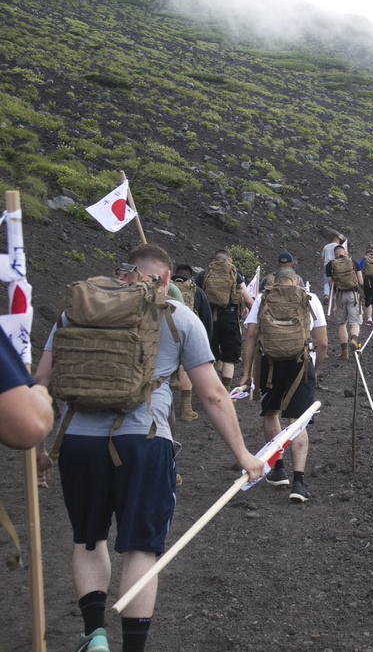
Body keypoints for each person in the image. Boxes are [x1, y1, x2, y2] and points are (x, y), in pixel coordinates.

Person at [34, 243, 264, 652]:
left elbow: (42, 384)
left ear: (125, 272)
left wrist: (37, 445)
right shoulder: (178, 316)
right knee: (141, 546)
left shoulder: (77, 310)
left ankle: (95, 636)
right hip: (144, 441)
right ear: (163, 279)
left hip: (77, 442)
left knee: (88, 539)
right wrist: (243, 455)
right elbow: (213, 396)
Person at [239, 267, 327, 502]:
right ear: (297, 281)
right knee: (298, 422)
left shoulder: (262, 298)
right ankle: (298, 483)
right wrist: (315, 370)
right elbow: (323, 342)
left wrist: (246, 373)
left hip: (270, 364)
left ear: (274, 282)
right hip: (301, 363)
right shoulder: (310, 298)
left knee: (271, 413)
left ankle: (278, 469)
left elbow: (250, 336)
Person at [194, 250, 253, 392]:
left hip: (208, 320)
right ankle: (226, 391)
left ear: (214, 260)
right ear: (230, 261)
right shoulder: (234, 274)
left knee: (210, 357)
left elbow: (195, 299)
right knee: (229, 358)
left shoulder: (203, 274)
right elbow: (248, 300)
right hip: (230, 318)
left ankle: (212, 390)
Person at [172, 264, 213, 422]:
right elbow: (206, 319)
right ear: (191, 276)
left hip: (164, 334)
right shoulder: (196, 290)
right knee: (185, 367)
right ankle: (186, 408)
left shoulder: (164, 288)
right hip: (187, 333)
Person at [0, 334, 53, 449]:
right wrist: (41, 392)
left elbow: (41, 377)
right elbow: (30, 427)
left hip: (72, 429)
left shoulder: (66, 319)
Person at [324, 244, 363, 360]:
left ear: (334, 254)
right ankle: (354, 339)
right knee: (355, 322)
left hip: (339, 296)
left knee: (342, 324)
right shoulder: (353, 262)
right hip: (354, 295)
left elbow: (331, 285)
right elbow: (360, 281)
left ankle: (344, 352)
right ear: (345, 252)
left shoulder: (330, 265)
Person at [320, 231, 347, 300]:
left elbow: (322, 257)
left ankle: (326, 294)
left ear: (332, 241)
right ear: (338, 242)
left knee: (326, 281)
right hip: (337, 265)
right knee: (337, 280)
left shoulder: (326, 246)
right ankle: (336, 294)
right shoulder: (339, 247)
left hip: (327, 265)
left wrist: (323, 265)